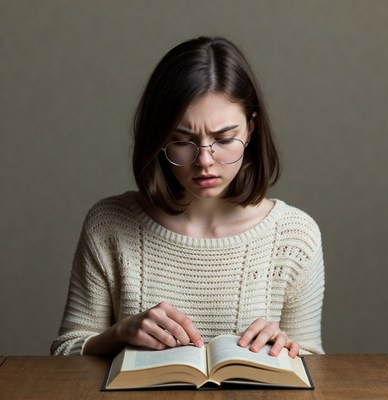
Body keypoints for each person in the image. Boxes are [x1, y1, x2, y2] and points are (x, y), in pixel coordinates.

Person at [51, 36, 325, 358]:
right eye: (183, 141)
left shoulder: (295, 236)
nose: (205, 161)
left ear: (251, 129)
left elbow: (312, 362)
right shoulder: (109, 224)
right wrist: (119, 334)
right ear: (159, 138)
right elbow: (66, 353)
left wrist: (288, 347)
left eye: (224, 139)